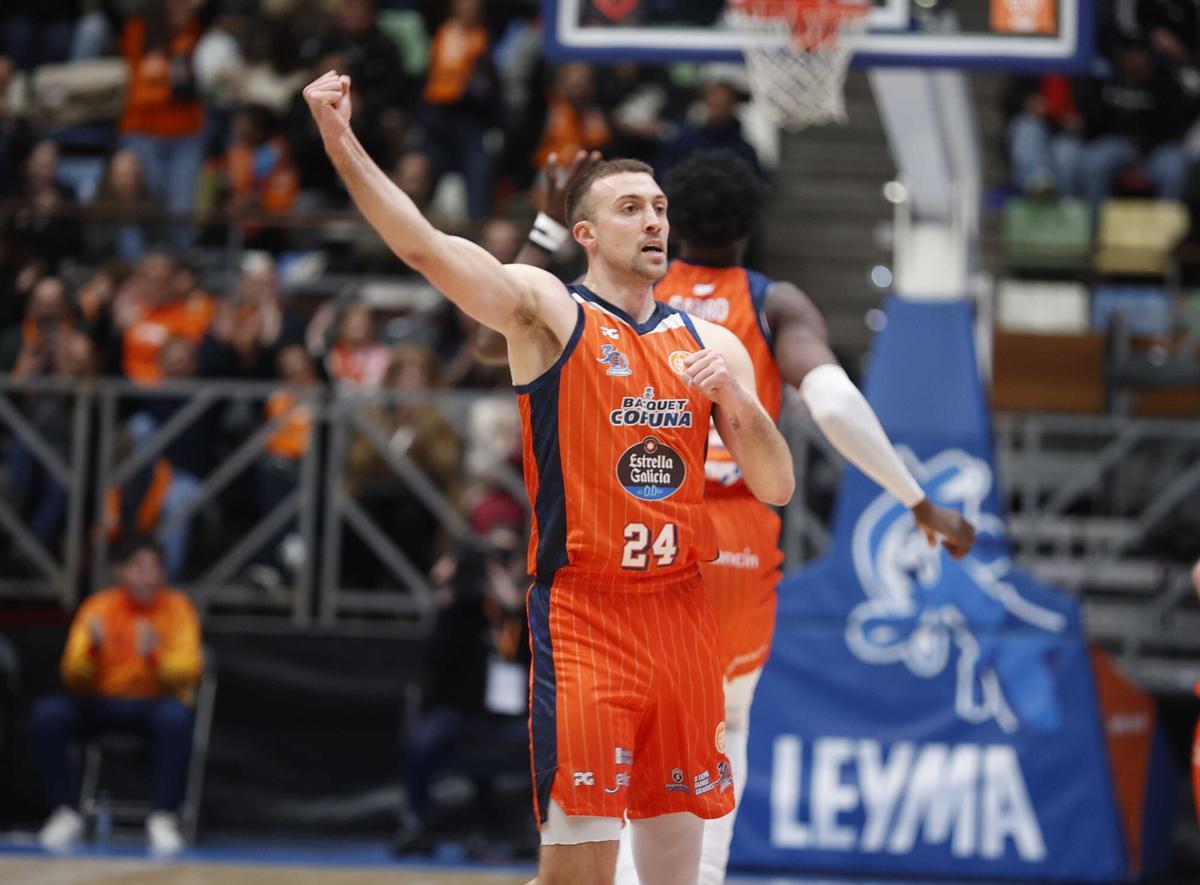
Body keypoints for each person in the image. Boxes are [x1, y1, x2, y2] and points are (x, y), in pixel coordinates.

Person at [303, 69, 796, 885]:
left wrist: (737, 400)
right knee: (580, 877)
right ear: (587, 234)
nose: (654, 221)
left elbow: (775, 485)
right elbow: (426, 246)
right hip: (588, 618)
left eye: (661, 207)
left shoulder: (711, 350)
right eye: (631, 208)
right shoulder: (549, 309)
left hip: (683, 614)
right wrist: (339, 139)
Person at [502, 148, 978, 885]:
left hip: (624, 529)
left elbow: (491, 337)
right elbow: (833, 402)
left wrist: (544, 224)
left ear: (676, 214)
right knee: (716, 739)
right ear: (756, 220)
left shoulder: (622, 295)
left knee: (617, 762)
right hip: (732, 543)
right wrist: (916, 499)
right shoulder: (770, 300)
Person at [31, 534, 202, 856]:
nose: (148, 577)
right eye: (138, 568)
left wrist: (155, 658)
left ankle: (163, 816)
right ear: (119, 571)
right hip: (100, 702)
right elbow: (73, 676)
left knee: (177, 718)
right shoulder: (99, 608)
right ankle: (64, 813)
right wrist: (93, 651)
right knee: (48, 714)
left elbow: (189, 671)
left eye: (154, 568)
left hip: (153, 703)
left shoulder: (178, 608)